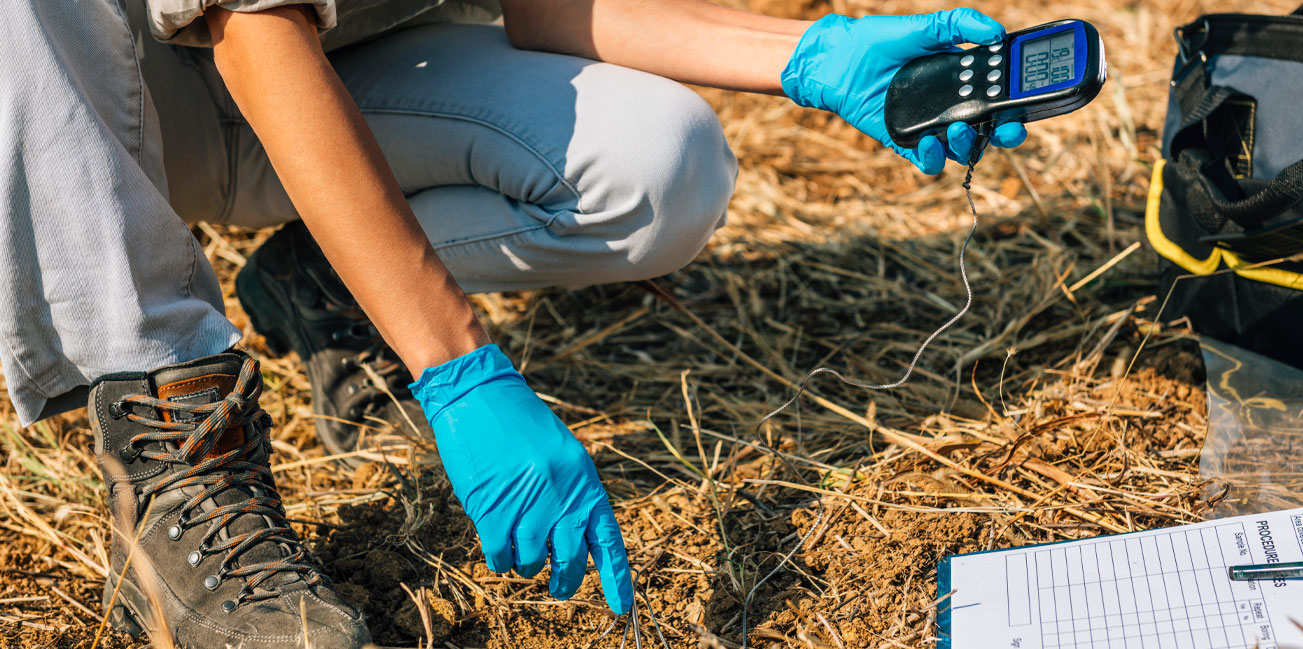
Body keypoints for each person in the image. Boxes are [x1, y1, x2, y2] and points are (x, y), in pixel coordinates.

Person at [2, 0, 1026, 645]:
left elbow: (547, 3)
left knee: (658, 163)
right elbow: (254, 28)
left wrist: (811, 52)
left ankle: (335, 273)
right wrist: (459, 365)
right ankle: (175, 456)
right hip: (124, 97)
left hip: (342, 67)